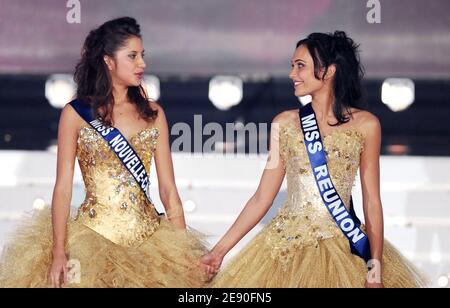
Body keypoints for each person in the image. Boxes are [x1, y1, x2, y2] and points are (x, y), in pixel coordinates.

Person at [201, 31, 428, 288]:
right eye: (292, 66)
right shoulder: (283, 124)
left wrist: (374, 265)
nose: (292, 74)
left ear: (328, 71)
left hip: (344, 247)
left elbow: (372, 201)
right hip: (285, 248)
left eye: (300, 66)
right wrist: (218, 251)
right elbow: (261, 197)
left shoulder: (366, 125)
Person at [0, 17, 207, 288]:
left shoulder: (154, 114)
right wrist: (59, 251)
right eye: (132, 57)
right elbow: (63, 188)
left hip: (150, 242)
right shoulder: (75, 114)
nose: (142, 64)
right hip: (91, 239)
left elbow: (168, 190)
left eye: (142, 56)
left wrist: (183, 253)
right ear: (108, 61)